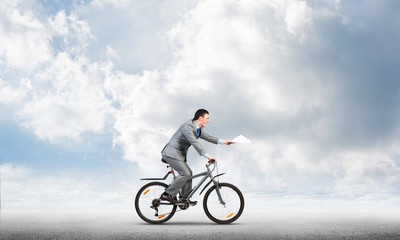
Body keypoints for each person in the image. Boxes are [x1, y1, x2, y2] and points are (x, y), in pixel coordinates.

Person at [160, 109, 233, 204]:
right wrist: (208, 157)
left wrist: (224, 141)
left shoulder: (197, 129)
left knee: (188, 174)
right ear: (201, 118)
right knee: (185, 173)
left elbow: (208, 137)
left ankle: (184, 198)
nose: (208, 120)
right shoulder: (187, 127)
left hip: (178, 154)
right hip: (171, 153)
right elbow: (195, 143)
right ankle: (167, 194)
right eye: (207, 118)